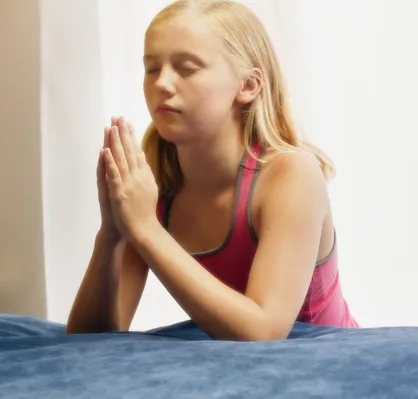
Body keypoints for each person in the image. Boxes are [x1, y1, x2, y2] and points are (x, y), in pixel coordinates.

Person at [66, 0, 358, 341]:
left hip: (327, 362)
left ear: (248, 86)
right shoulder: (158, 182)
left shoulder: (291, 175)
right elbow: (93, 338)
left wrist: (144, 227)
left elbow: (263, 332)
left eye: (186, 69)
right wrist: (112, 234)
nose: (162, 83)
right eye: (152, 68)